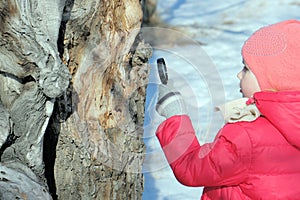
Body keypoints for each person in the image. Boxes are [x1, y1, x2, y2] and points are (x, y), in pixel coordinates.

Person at [155, 19, 300, 199]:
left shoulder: (246, 139)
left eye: (246, 69)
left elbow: (191, 169)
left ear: (272, 80)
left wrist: (174, 115)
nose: (239, 74)